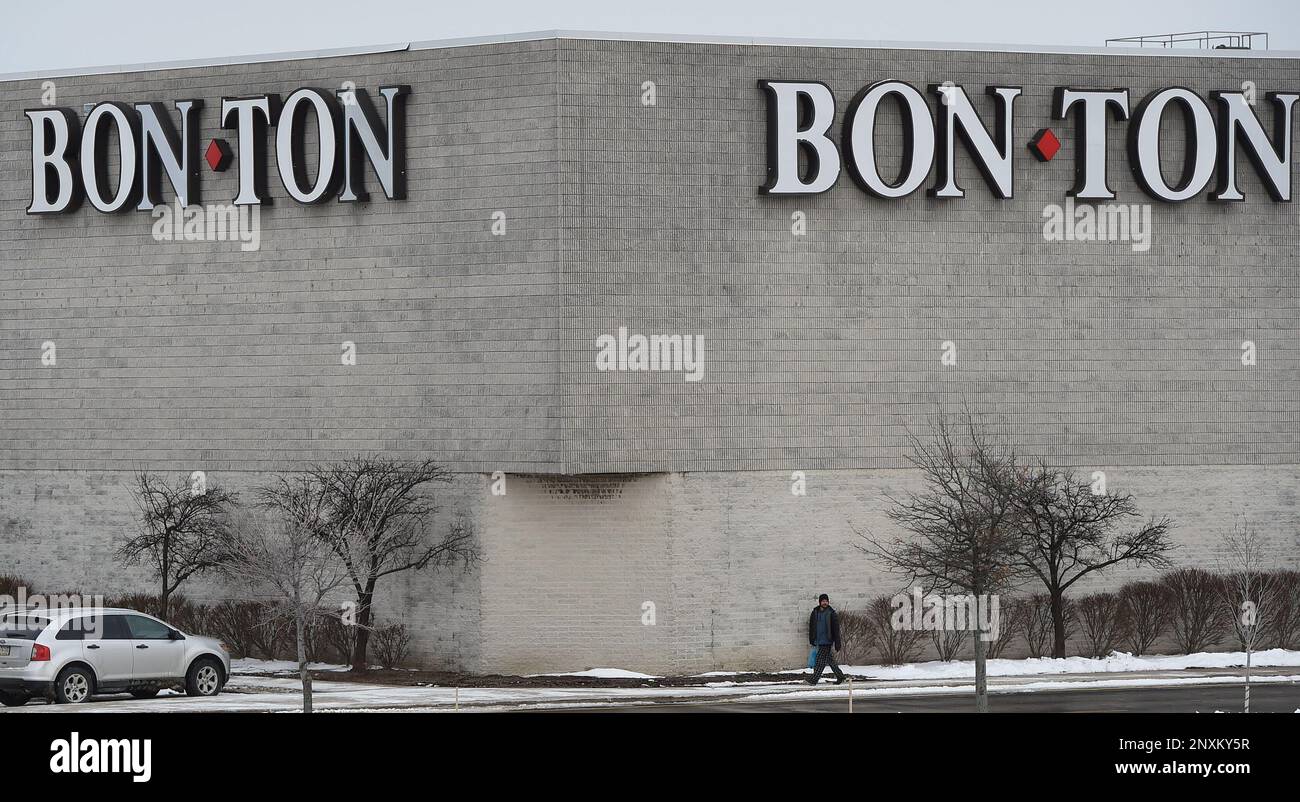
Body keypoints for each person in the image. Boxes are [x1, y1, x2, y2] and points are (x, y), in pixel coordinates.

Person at [806, 593, 846, 685]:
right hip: (818, 640)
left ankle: (814, 679)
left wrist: (837, 642)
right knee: (830, 661)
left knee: (819, 661)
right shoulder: (815, 612)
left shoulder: (831, 613)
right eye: (823, 601)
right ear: (820, 602)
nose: (825, 603)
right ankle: (840, 677)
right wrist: (811, 639)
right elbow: (811, 627)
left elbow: (836, 629)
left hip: (827, 641)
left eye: (826, 601)